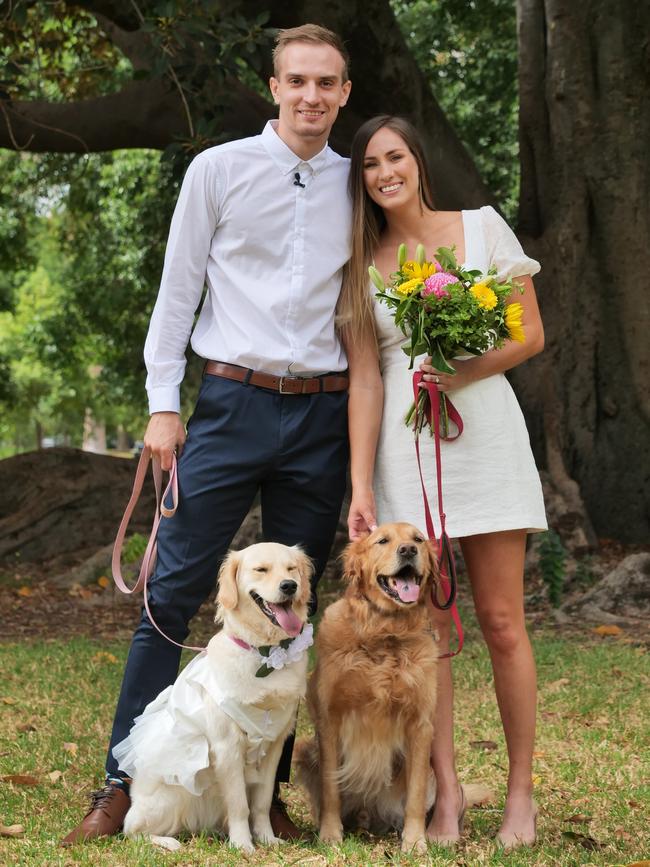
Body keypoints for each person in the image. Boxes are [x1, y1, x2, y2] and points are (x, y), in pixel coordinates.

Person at [62, 24, 381, 846]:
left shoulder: (358, 185)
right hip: (229, 406)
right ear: (274, 86)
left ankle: (267, 794)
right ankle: (121, 783)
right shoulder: (219, 170)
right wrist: (163, 405)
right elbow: (177, 295)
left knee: (290, 613)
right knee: (168, 598)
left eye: (328, 83)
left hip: (320, 415)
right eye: (297, 81)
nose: (312, 96)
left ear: (345, 93)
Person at [343, 114, 546, 850]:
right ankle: (446, 794)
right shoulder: (362, 260)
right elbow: (366, 378)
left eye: (394, 157)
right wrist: (361, 483)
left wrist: (464, 370)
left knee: (499, 620)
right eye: (369, 164)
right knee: (428, 634)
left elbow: (529, 333)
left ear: (418, 162)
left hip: (483, 434)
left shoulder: (482, 226)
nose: (384, 172)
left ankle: (521, 793)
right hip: (405, 450)